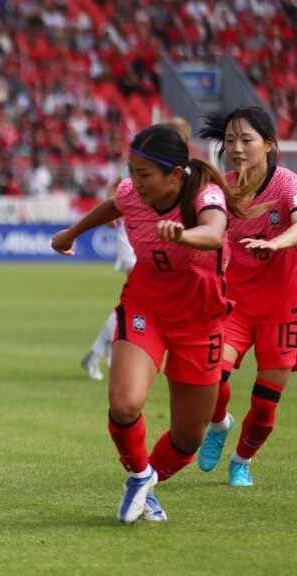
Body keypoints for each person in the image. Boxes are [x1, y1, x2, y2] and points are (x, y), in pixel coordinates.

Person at [53, 123, 249, 523]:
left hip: (201, 318)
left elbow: (214, 233)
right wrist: (72, 233)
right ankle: (139, 475)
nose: (133, 183)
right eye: (131, 171)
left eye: (143, 175)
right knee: (124, 404)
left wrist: (184, 235)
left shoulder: (204, 195)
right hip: (147, 306)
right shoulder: (132, 193)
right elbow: (115, 205)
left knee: (188, 437)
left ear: (175, 175)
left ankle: (151, 483)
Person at [197, 107, 297, 486]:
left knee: (266, 403)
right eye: (230, 140)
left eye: (246, 139)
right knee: (210, 380)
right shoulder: (224, 188)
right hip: (234, 307)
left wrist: (275, 245)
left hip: (283, 309)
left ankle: (242, 460)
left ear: (269, 144)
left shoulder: (287, 184)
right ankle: (220, 425)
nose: (236, 148)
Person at [81, 117, 192, 381]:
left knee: (141, 295)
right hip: (132, 234)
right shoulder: (145, 162)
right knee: (139, 292)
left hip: (160, 238)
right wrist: (114, 211)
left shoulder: (182, 174)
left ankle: (107, 350)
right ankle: (101, 352)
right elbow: (118, 188)